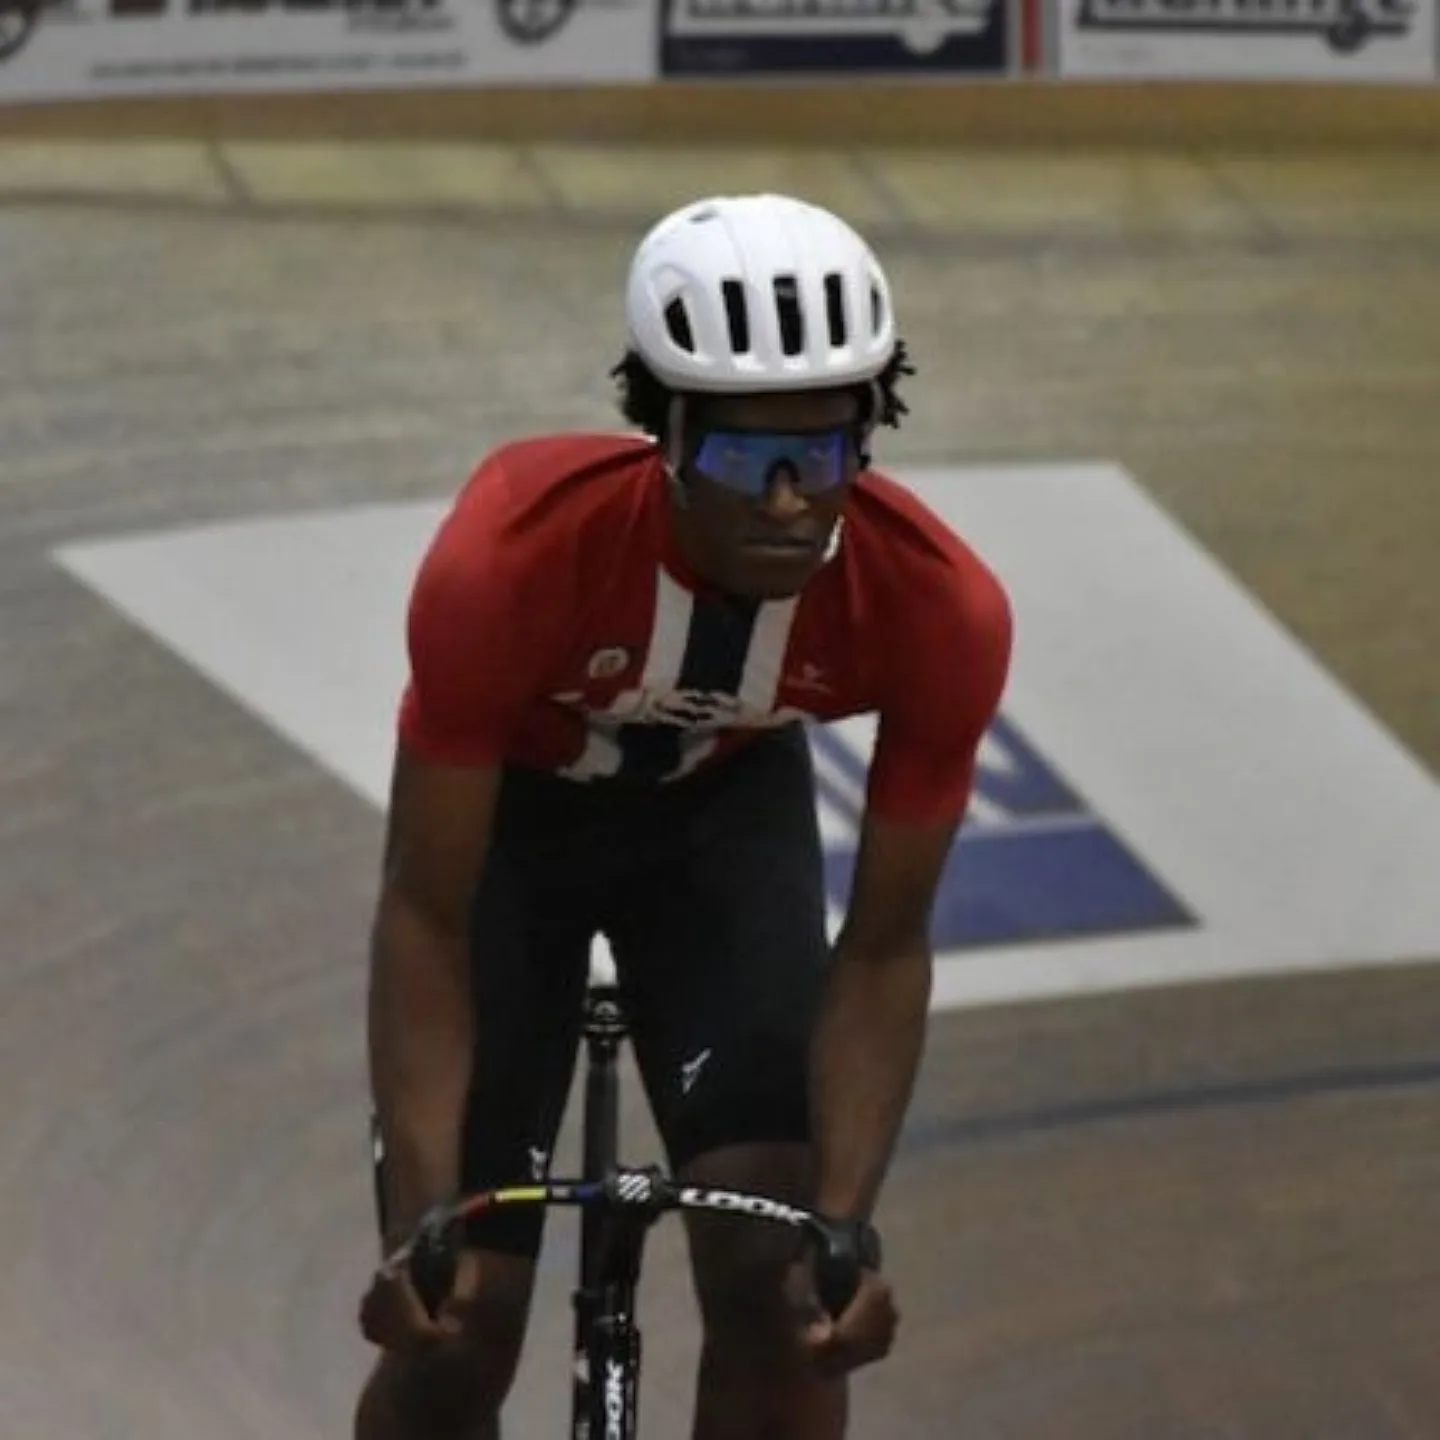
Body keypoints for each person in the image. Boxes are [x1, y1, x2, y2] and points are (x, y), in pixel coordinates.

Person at [353, 192, 1013, 1440]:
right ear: (663, 436)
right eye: (741, 458)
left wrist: (846, 1229)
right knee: (458, 1328)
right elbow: (428, 913)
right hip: (517, 842)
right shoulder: (510, 562)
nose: (785, 501)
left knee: (788, 1313)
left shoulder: (938, 609)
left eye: (821, 455)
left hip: (718, 833)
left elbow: (880, 949)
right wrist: (418, 1224)